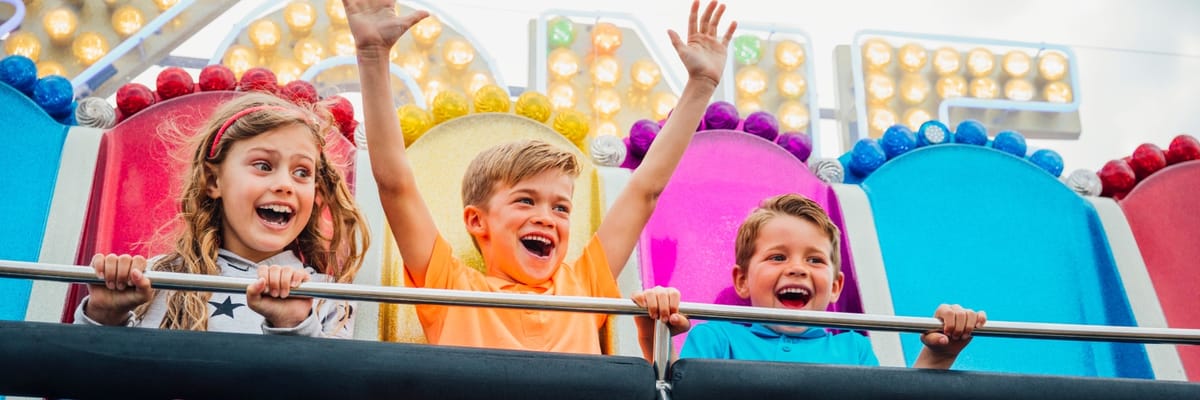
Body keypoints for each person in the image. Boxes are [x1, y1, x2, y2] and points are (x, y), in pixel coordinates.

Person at [344, 0, 735, 358]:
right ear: (477, 220)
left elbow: (645, 191)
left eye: (560, 207)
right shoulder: (450, 287)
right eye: (526, 200)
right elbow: (395, 185)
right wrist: (373, 55)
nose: (546, 217)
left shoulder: (584, 287)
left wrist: (700, 85)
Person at [75, 92, 370, 338]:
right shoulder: (152, 278)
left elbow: (331, 384)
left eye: (302, 172)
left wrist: (294, 325)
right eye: (263, 166)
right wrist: (104, 315)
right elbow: (86, 376)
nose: (285, 185)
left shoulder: (327, 296)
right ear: (213, 181)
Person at [681, 194, 985, 369]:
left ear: (836, 286)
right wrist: (657, 327)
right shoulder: (715, 340)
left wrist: (940, 355)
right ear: (742, 279)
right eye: (778, 257)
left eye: (814, 260)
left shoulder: (854, 350)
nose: (797, 269)